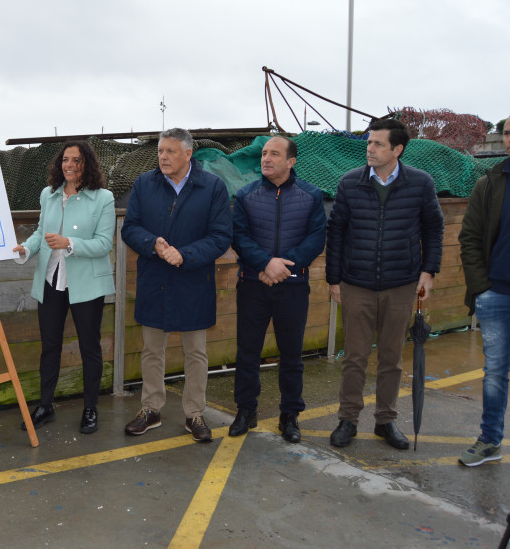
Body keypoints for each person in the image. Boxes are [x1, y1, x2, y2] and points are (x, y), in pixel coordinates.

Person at [326, 118, 443, 450]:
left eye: (378, 144)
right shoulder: (350, 183)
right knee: (355, 356)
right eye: (368, 143)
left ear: (397, 149)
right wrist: (334, 279)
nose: (370, 149)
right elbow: (335, 232)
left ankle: (385, 421)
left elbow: (434, 229)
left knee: (391, 357)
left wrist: (428, 271)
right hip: (357, 284)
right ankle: (347, 420)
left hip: (401, 285)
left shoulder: (420, 183)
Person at [120, 127, 232, 442]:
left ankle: (194, 414)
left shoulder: (213, 187)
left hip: (194, 280)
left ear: (188, 154)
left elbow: (222, 236)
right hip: (154, 279)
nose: (163, 157)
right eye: (160, 151)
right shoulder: (144, 183)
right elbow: (130, 228)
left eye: (170, 151)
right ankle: (150, 410)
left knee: (195, 352)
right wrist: (152, 242)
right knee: (152, 350)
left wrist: (185, 255)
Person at [229, 136, 326, 443]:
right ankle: (246, 411)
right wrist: (264, 264)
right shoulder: (245, 195)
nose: (266, 158)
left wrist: (284, 267)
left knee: (292, 355)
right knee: (247, 353)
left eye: (274, 154)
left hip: (292, 287)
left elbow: (316, 239)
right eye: (264, 153)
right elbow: (239, 237)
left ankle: (290, 415)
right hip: (253, 286)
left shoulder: (311, 196)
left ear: (291, 161)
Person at [13, 141, 115, 434]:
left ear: (88, 164)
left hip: (86, 286)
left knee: (89, 348)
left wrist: (69, 243)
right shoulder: (49, 194)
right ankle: (46, 406)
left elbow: (104, 244)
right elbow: (40, 233)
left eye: (77, 160)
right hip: (51, 281)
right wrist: (25, 249)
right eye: (65, 160)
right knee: (50, 347)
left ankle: (90, 409)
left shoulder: (103, 198)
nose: (69, 165)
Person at [457, 116, 510, 466]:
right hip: (497, 294)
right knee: (495, 373)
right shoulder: (489, 183)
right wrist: (482, 288)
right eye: (507, 132)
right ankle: (490, 440)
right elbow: (470, 238)